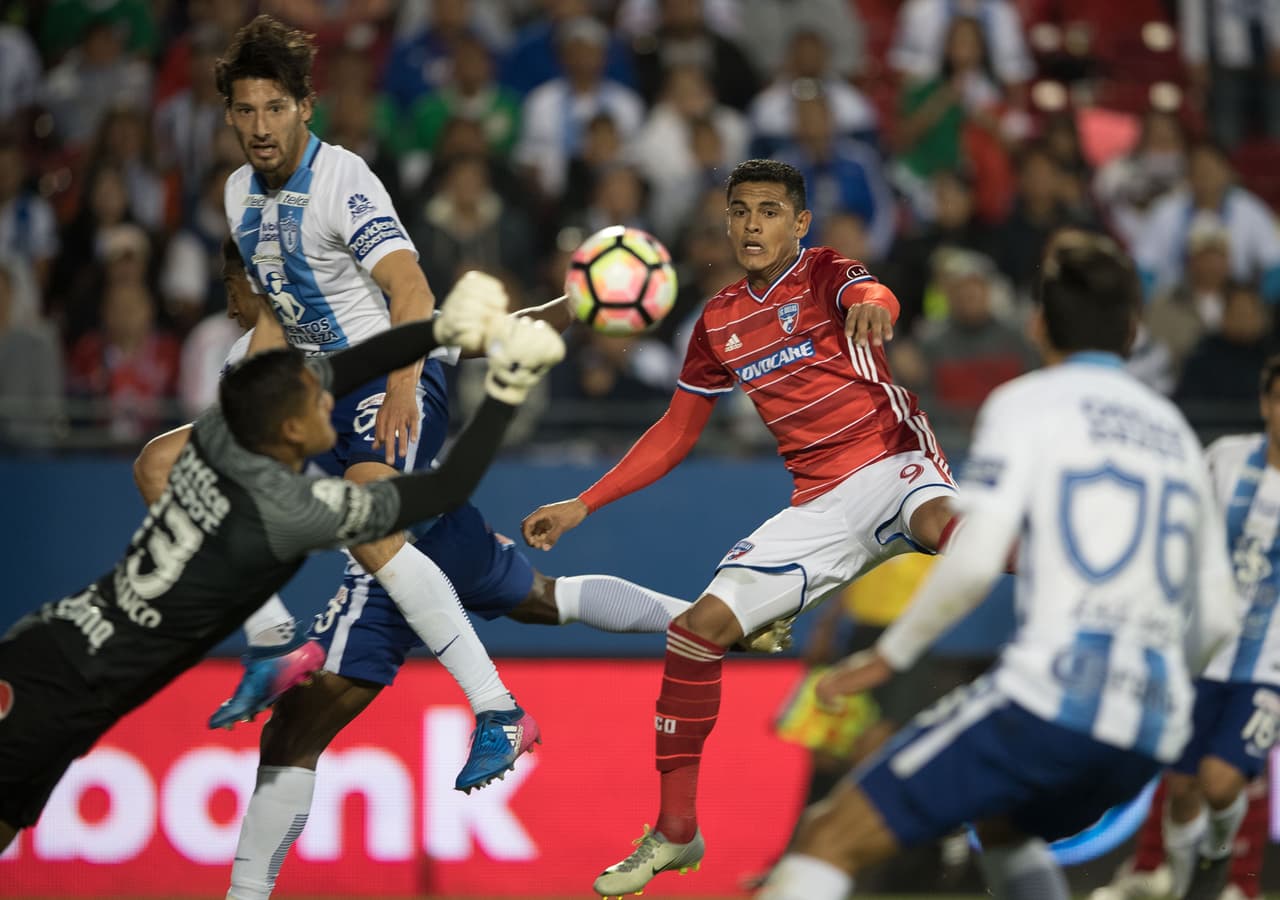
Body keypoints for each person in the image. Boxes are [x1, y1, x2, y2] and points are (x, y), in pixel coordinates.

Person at [0, 275, 564, 854]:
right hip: (76, 683)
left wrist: (431, 329)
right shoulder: (299, 513)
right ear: (291, 428)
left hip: (55, 641)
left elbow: (159, 458)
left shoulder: (206, 459)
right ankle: (490, 704)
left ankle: (276, 641)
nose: (335, 407)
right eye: (320, 403)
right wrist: (505, 390)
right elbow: (444, 484)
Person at [521, 158, 960, 897]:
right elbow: (674, 433)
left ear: (799, 224)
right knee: (696, 631)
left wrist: (877, 306)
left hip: (893, 465)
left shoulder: (825, 272)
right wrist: (582, 504)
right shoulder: (718, 321)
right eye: (741, 211)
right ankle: (677, 832)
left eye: (769, 211)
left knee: (954, 527)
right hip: (818, 505)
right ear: (726, 222)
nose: (753, 225)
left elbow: (869, 289)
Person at [755, 232, 1238, 900]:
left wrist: (887, 659)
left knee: (828, 836)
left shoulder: (1028, 403)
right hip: (1150, 726)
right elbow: (1216, 615)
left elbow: (976, 556)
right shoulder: (1178, 433)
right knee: (1004, 827)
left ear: (1037, 326)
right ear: (1133, 330)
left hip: (1051, 699)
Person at [209, 14, 537, 794]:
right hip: (313, 394)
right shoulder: (234, 196)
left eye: (274, 109)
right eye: (246, 111)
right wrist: (243, 411)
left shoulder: (343, 178)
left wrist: (399, 381)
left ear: (304, 107)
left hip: (392, 377)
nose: (260, 127)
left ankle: (496, 708)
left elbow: (412, 288)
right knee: (168, 463)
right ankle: (273, 647)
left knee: (366, 508)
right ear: (229, 114)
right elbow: (273, 314)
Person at [1158, 355, 1280, 900]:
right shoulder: (1225, 459)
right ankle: (1190, 887)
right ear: (1266, 403)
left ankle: (1216, 858)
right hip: (1199, 652)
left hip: (1269, 665)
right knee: (1180, 788)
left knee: (1219, 779)